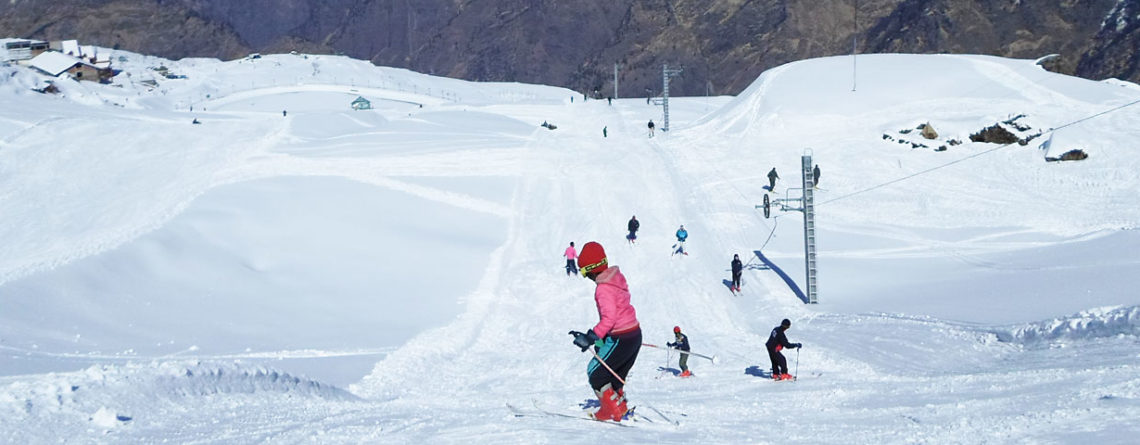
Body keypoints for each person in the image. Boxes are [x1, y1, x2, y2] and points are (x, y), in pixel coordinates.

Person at [569, 242, 641, 422]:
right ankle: (620, 406)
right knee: (615, 375)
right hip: (634, 335)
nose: (586, 277)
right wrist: (599, 338)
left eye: (585, 273)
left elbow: (609, 319)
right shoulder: (616, 279)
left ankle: (612, 411)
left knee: (596, 373)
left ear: (592, 270)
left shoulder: (603, 289)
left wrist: (590, 337)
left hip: (621, 337)